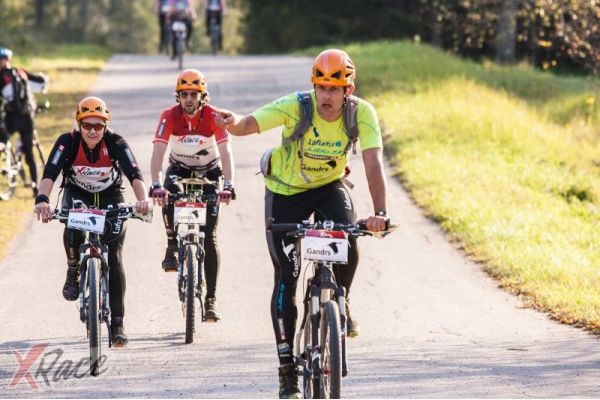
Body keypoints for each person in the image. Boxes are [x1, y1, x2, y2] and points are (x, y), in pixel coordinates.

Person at [214, 49, 389, 398]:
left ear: (348, 89)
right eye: (321, 87)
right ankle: (286, 370)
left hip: (328, 187)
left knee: (348, 238)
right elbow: (251, 123)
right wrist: (233, 122)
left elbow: (372, 163)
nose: (326, 96)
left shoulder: (362, 113)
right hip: (285, 191)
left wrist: (380, 213)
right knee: (287, 277)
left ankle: (342, 300)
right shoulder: (297, 105)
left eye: (334, 89)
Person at [34, 96, 150, 347]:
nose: (93, 131)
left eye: (99, 126)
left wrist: (142, 201)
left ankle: (117, 324)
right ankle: (74, 268)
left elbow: (134, 173)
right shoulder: (68, 141)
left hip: (111, 195)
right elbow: (50, 173)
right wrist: (42, 200)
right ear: (79, 124)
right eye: (87, 125)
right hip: (78, 194)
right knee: (72, 225)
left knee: (115, 256)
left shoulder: (116, 141)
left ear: (106, 126)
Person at [150, 68, 234, 322]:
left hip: (209, 171)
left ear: (202, 96)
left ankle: (211, 299)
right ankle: (172, 243)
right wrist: (155, 184)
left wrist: (228, 185)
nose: (189, 99)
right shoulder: (169, 116)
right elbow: (158, 153)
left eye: (194, 94)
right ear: (178, 96)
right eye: (184, 94)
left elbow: (226, 151)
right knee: (168, 194)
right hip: (178, 169)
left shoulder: (214, 116)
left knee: (209, 236)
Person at [0, 47, 49, 196]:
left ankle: (7, 155)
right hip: (27, 118)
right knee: (29, 153)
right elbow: (40, 81)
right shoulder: (20, 72)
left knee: (4, 140)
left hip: (11, 118)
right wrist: (44, 77)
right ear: (8, 60)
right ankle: (35, 186)